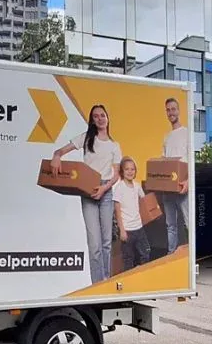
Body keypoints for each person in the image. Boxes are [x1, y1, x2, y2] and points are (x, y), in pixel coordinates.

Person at [51, 104, 121, 283]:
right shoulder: (86, 138)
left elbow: (116, 175)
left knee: (106, 242)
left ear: (108, 118)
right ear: (92, 120)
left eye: (102, 115)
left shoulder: (114, 146)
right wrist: (56, 156)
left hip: (106, 191)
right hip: (88, 190)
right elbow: (61, 150)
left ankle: (106, 280)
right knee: (94, 244)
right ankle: (97, 283)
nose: (100, 118)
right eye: (96, 116)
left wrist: (104, 188)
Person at [161, 97, 190, 254]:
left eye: (173, 109)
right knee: (170, 225)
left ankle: (190, 256)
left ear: (178, 111)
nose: (171, 112)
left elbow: (192, 160)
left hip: (183, 186)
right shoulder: (166, 137)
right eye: (168, 110)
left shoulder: (187, 133)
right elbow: (164, 162)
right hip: (168, 189)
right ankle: (171, 254)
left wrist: (188, 182)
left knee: (188, 222)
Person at [113, 157, 150, 271]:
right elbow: (117, 212)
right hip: (127, 230)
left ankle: (142, 273)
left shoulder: (137, 186)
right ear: (122, 171)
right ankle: (129, 277)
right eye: (127, 169)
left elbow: (145, 201)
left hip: (139, 227)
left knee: (146, 253)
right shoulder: (119, 188)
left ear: (135, 171)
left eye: (132, 169)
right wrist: (122, 230)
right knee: (128, 258)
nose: (130, 172)